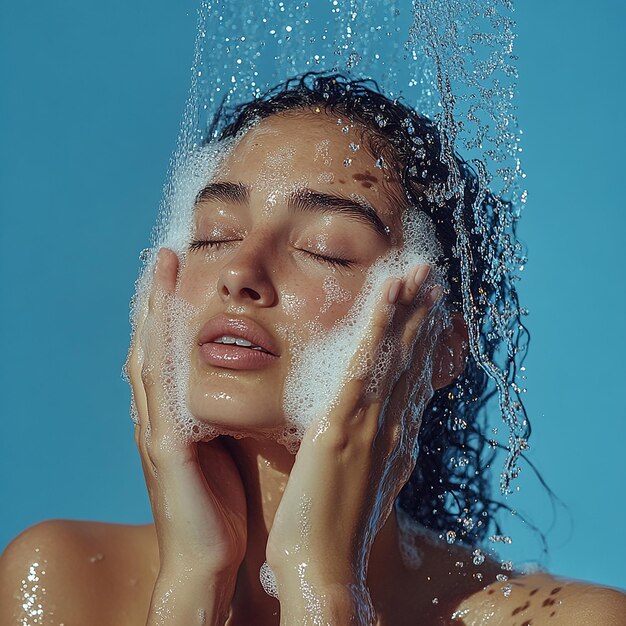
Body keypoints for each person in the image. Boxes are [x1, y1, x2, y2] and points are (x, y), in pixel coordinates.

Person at [1, 74, 624, 626]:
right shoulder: (63, 583)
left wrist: (324, 589)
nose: (240, 271)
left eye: (326, 248)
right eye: (214, 234)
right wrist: (194, 581)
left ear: (438, 343)